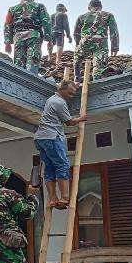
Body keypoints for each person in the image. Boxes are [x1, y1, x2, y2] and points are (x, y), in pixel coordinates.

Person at [34, 80, 87, 208]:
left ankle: (53, 199)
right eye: (69, 93)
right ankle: (64, 197)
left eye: (73, 93)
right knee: (62, 165)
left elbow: (68, 86)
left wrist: (74, 85)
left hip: (40, 138)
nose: (71, 96)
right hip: (52, 137)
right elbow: (69, 122)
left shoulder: (51, 99)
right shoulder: (60, 102)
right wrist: (81, 118)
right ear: (61, 90)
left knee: (50, 167)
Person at [3, 0, 53, 74]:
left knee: (19, 65)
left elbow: (7, 25)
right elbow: (46, 21)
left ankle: (18, 80)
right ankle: (31, 79)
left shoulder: (12, 9)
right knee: (33, 61)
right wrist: (49, 39)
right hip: (33, 36)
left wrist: (7, 42)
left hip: (18, 38)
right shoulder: (39, 6)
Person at [72, 0, 119, 83]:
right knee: (98, 68)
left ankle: (77, 78)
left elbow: (76, 33)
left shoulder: (82, 17)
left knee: (77, 60)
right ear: (101, 7)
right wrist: (114, 47)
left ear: (89, 7)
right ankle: (97, 82)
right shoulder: (108, 15)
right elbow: (114, 32)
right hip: (101, 44)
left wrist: (78, 45)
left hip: (85, 41)